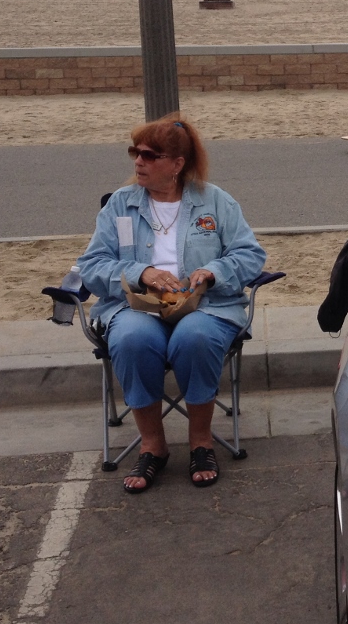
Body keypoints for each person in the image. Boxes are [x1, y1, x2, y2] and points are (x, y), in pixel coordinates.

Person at [77, 114, 266, 493]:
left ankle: (201, 441)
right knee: (132, 339)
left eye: (150, 155)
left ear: (177, 164)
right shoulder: (119, 205)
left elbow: (250, 256)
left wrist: (213, 271)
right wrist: (141, 272)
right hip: (136, 306)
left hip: (206, 305)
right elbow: (92, 266)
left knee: (195, 338)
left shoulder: (216, 201)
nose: (138, 161)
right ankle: (153, 445)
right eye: (135, 152)